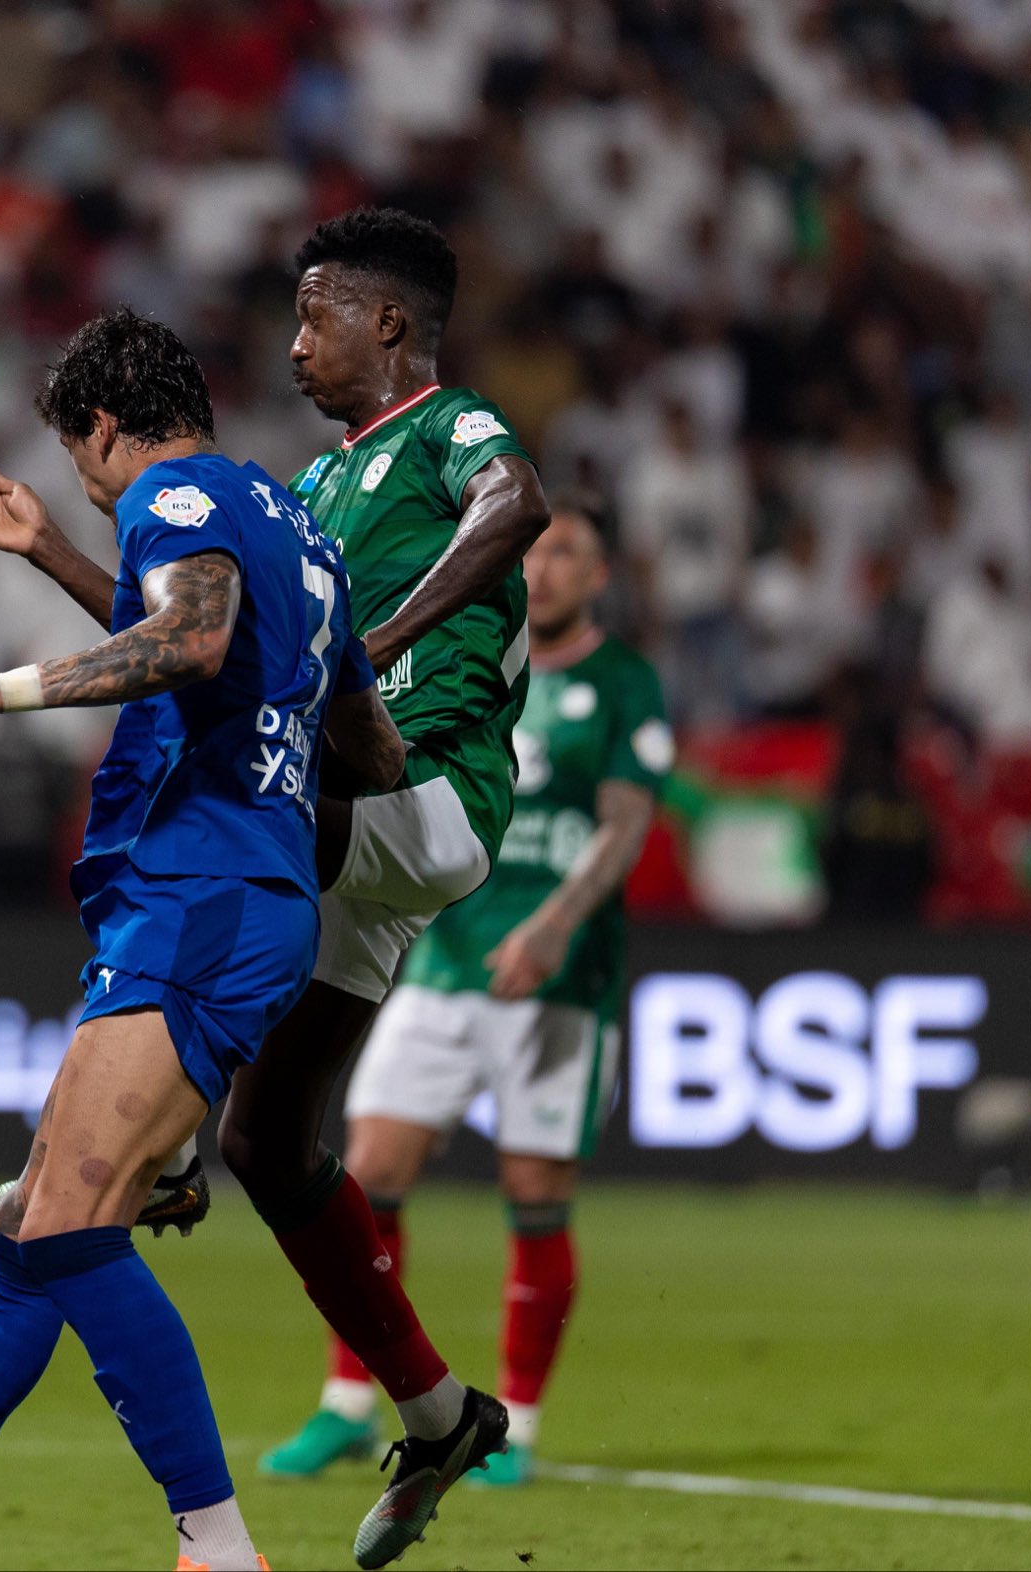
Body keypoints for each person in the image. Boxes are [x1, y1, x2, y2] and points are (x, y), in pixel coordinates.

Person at [0, 208, 548, 1567]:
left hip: (424, 797)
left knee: (205, 828)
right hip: (351, 825)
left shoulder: (449, 429)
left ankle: (157, 1137)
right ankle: (438, 1413)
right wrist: (51, 549)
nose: (295, 343)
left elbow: (518, 508)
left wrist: (369, 644)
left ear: (387, 323)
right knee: (276, 1145)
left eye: (316, 316)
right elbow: (200, 640)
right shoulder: (310, 488)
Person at [0, 309, 402, 1572]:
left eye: (77, 461)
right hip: (238, 894)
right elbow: (367, 750)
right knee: (27, 1226)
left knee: (63, 1228)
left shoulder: (168, 497)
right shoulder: (296, 529)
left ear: (103, 427)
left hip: (201, 895)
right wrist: (56, 549)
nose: (90, 486)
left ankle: (219, 1551)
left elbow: (191, 639)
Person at [261, 494, 669, 1486]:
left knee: (534, 1191)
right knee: (368, 1169)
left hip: (556, 978)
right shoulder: (472, 654)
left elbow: (623, 822)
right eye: (537, 552)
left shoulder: (622, 682)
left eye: (569, 553)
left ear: (598, 576)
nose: (546, 568)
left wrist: (554, 924)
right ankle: (348, 1402)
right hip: (444, 963)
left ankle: (515, 1424)